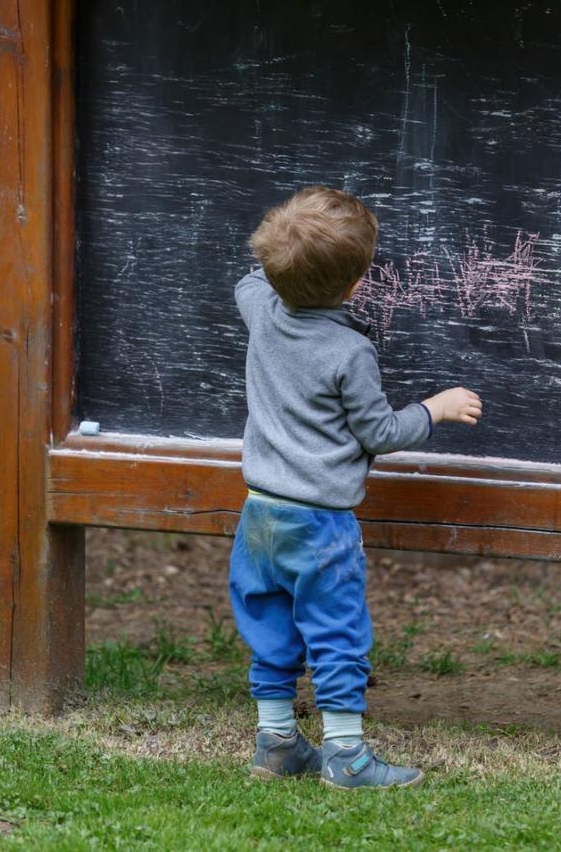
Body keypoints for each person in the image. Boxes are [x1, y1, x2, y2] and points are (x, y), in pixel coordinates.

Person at [230, 186, 482, 789]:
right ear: (355, 286)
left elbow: (250, 282)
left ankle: (277, 744)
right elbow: (382, 430)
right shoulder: (350, 350)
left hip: (259, 515)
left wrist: (286, 250)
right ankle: (346, 755)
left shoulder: (259, 310)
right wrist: (434, 407)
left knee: (272, 627)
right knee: (336, 631)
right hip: (320, 525)